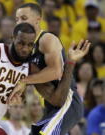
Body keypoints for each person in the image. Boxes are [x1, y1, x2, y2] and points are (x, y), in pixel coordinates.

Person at [9, 3, 90, 135]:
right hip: (51, 104)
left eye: (23, 18)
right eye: (17, 19)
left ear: (38, 20)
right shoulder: (21, 45)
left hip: (69, 103)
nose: (19, 22)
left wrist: (25, 81)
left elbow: (55, 71)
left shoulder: (47, 39)